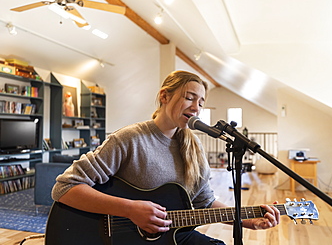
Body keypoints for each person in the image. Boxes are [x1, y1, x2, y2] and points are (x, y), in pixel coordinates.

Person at [51, 70, 280, 244]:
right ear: (164, 96)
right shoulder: (130, 138)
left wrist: (248, 220)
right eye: (190, 98)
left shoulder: (195, 147)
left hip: (175, 236)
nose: (196, 107)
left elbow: (204, 202)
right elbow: (64, 188)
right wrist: (129, 209)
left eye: (201, 102)